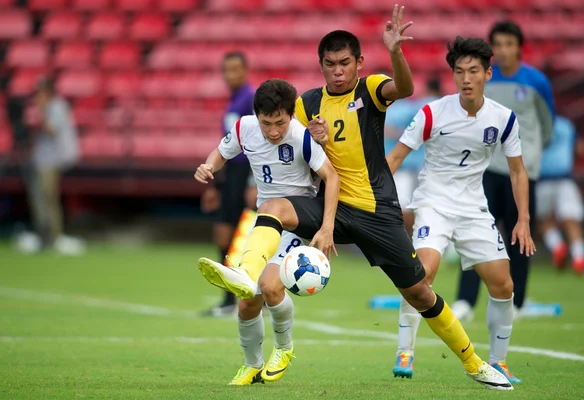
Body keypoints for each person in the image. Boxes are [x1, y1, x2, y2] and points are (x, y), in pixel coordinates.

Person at [197, 6, 512, 390]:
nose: (338, 71)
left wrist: (395, 52)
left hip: (375, 210)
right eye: (330, 64)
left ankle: (474, 362)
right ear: (321, 66)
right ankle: (246, 275)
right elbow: (285, 141)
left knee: (419, 292)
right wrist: (312, 142)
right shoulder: (305, 104)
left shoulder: (371, 89)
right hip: (327, 202)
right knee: (272, 207)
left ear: (359, 63)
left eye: (345, 63)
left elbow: (406, 89)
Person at [387, 36, 535, 384]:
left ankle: (498, 362)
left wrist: (524, 220)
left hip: (474, 210)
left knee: (503, 285)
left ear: (487, 73)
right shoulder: (432, 112)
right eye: (459, 71)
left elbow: (518, 171)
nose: (466, 78)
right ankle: (405, 351)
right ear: (452, 75)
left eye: (473, 71)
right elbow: (394, 158)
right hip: (434, 204)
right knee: (421, 276)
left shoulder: (503, 118)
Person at [194, 79, 339, 385]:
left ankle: (285, 349)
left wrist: (327, 227)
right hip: (266, 225)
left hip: (297, 219)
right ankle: (252, 365)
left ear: (291, 116)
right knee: (247, 303)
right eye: (266, 123)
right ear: (256, 116)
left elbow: (331, 176)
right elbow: (221, 153)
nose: (273, 131)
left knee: (271, 287)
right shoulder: (244, 128)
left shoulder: (302, 136)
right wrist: (208, 166)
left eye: (280, 123)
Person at [454, 21, 555, 321]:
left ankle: (517, 302)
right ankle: (465, 301)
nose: (503, 50)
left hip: (522, 172)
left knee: (520, 235)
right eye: (497, 44)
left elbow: (547, 125)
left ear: (519, 47)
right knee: (474, 234)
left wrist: (531, 155)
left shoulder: (536, 82)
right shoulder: (485, 79)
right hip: (486, 170)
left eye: (509, 44)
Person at [201, 52, 257, 317]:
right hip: (230, 175)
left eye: (235, 69)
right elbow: (228, 145)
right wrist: (215, 184)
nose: (230, 75)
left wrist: (252, 181)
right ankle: (230, 299)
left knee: (239, 236)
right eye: (226, 70)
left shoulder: (250, 99)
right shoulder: (234, 100)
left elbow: (258, 141)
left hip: (245, 172)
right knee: (225, 234)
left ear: (245, 70)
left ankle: (243, 297)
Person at [23, 77, 81, 254]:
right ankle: (44, 236)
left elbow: (52, 130)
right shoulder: (47, 107)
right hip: (42, 160)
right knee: (41, 199)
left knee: (49, 199)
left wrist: (41, 111)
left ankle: (54, 237)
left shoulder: (56, 107)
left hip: (52, 161)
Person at [384, 77, 440, 237]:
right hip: (412, 166)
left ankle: (411, 239)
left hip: (406, 167)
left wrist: (392, 131)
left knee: (406, 208)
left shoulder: (407, 107)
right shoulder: (410, 106)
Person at [536, 116, 584, 274]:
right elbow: (581, 150)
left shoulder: (537, 123)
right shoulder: (567, 125)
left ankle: (558, 246)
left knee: (543, 220)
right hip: (565, 179)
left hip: (542, 180)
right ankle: (579, 259)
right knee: (571, 221)